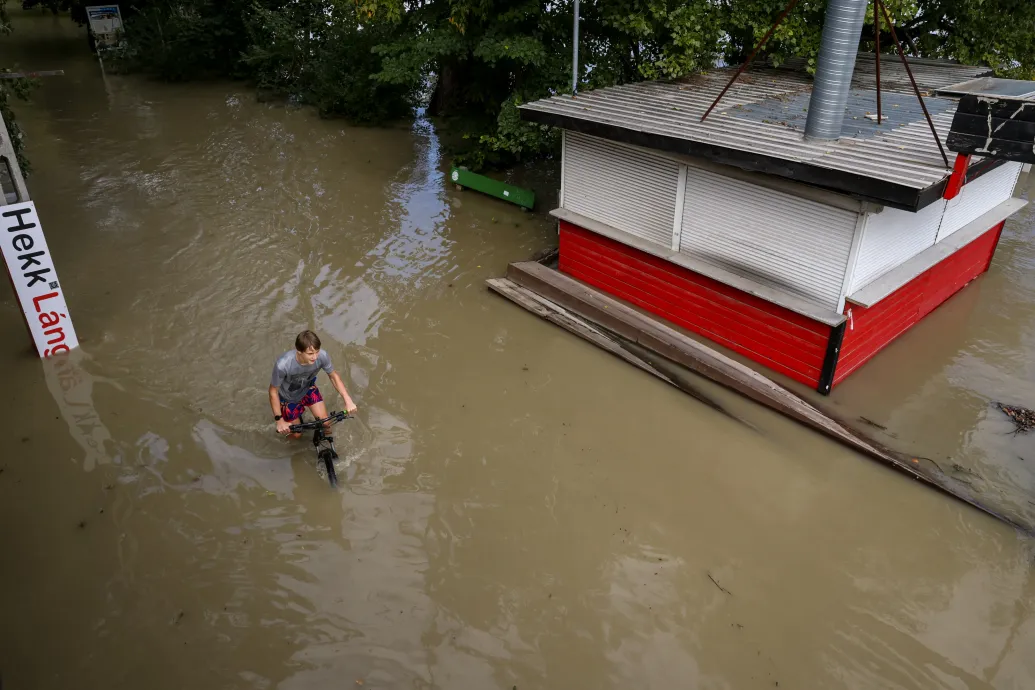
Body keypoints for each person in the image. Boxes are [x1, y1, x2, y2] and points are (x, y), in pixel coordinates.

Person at [269, 330, 357, 437]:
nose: (315, 357)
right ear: (299, 351)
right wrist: (279, 421)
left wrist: (348, 401)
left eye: (317, 352)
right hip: (288, 399)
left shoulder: (322, 356)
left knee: (326, 425)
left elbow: (333, 376)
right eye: (310, 354)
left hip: (308, 389)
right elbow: (273, 392)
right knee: (296, 435)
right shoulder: (283, 365)